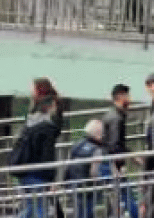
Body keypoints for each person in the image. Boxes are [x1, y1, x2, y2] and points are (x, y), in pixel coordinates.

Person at [10, 79, 63, 218]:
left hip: (25, 170)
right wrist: (51, 179)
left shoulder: (31, 121)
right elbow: (47, 155)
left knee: (32, 207)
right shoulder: (47, 127)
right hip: (37, 173)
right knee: (40, 208)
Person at [100, 85, 139, 218]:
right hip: (112, 163)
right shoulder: (117, 118)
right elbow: (115, 144)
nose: (130, 99)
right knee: (126, 194)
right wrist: (119, 165)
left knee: (116, 195)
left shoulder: (113, 115)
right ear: (121, 97)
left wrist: (131, 155)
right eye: (128, 96)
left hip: (107, 162)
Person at [64, 120, 110, 218]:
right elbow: (94, 172)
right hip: (88, 188)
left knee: (80, 212)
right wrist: (102, 184)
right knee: (87, 212)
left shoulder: (77, 145)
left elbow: (68, 164)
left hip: (74, 184)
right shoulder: (97, 149)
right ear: (98, 134)